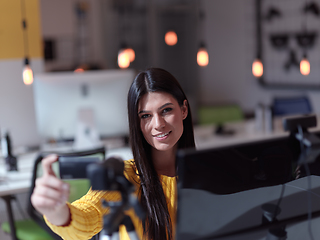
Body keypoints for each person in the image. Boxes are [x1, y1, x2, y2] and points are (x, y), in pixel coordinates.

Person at [31, 68, 195, 240]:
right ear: (136, 123)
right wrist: (58, 212)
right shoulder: (125, 177)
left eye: (166, 110)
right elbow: (88, 214)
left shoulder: (206, 174)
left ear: (184, 110)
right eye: (146, 116)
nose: (158, 124)